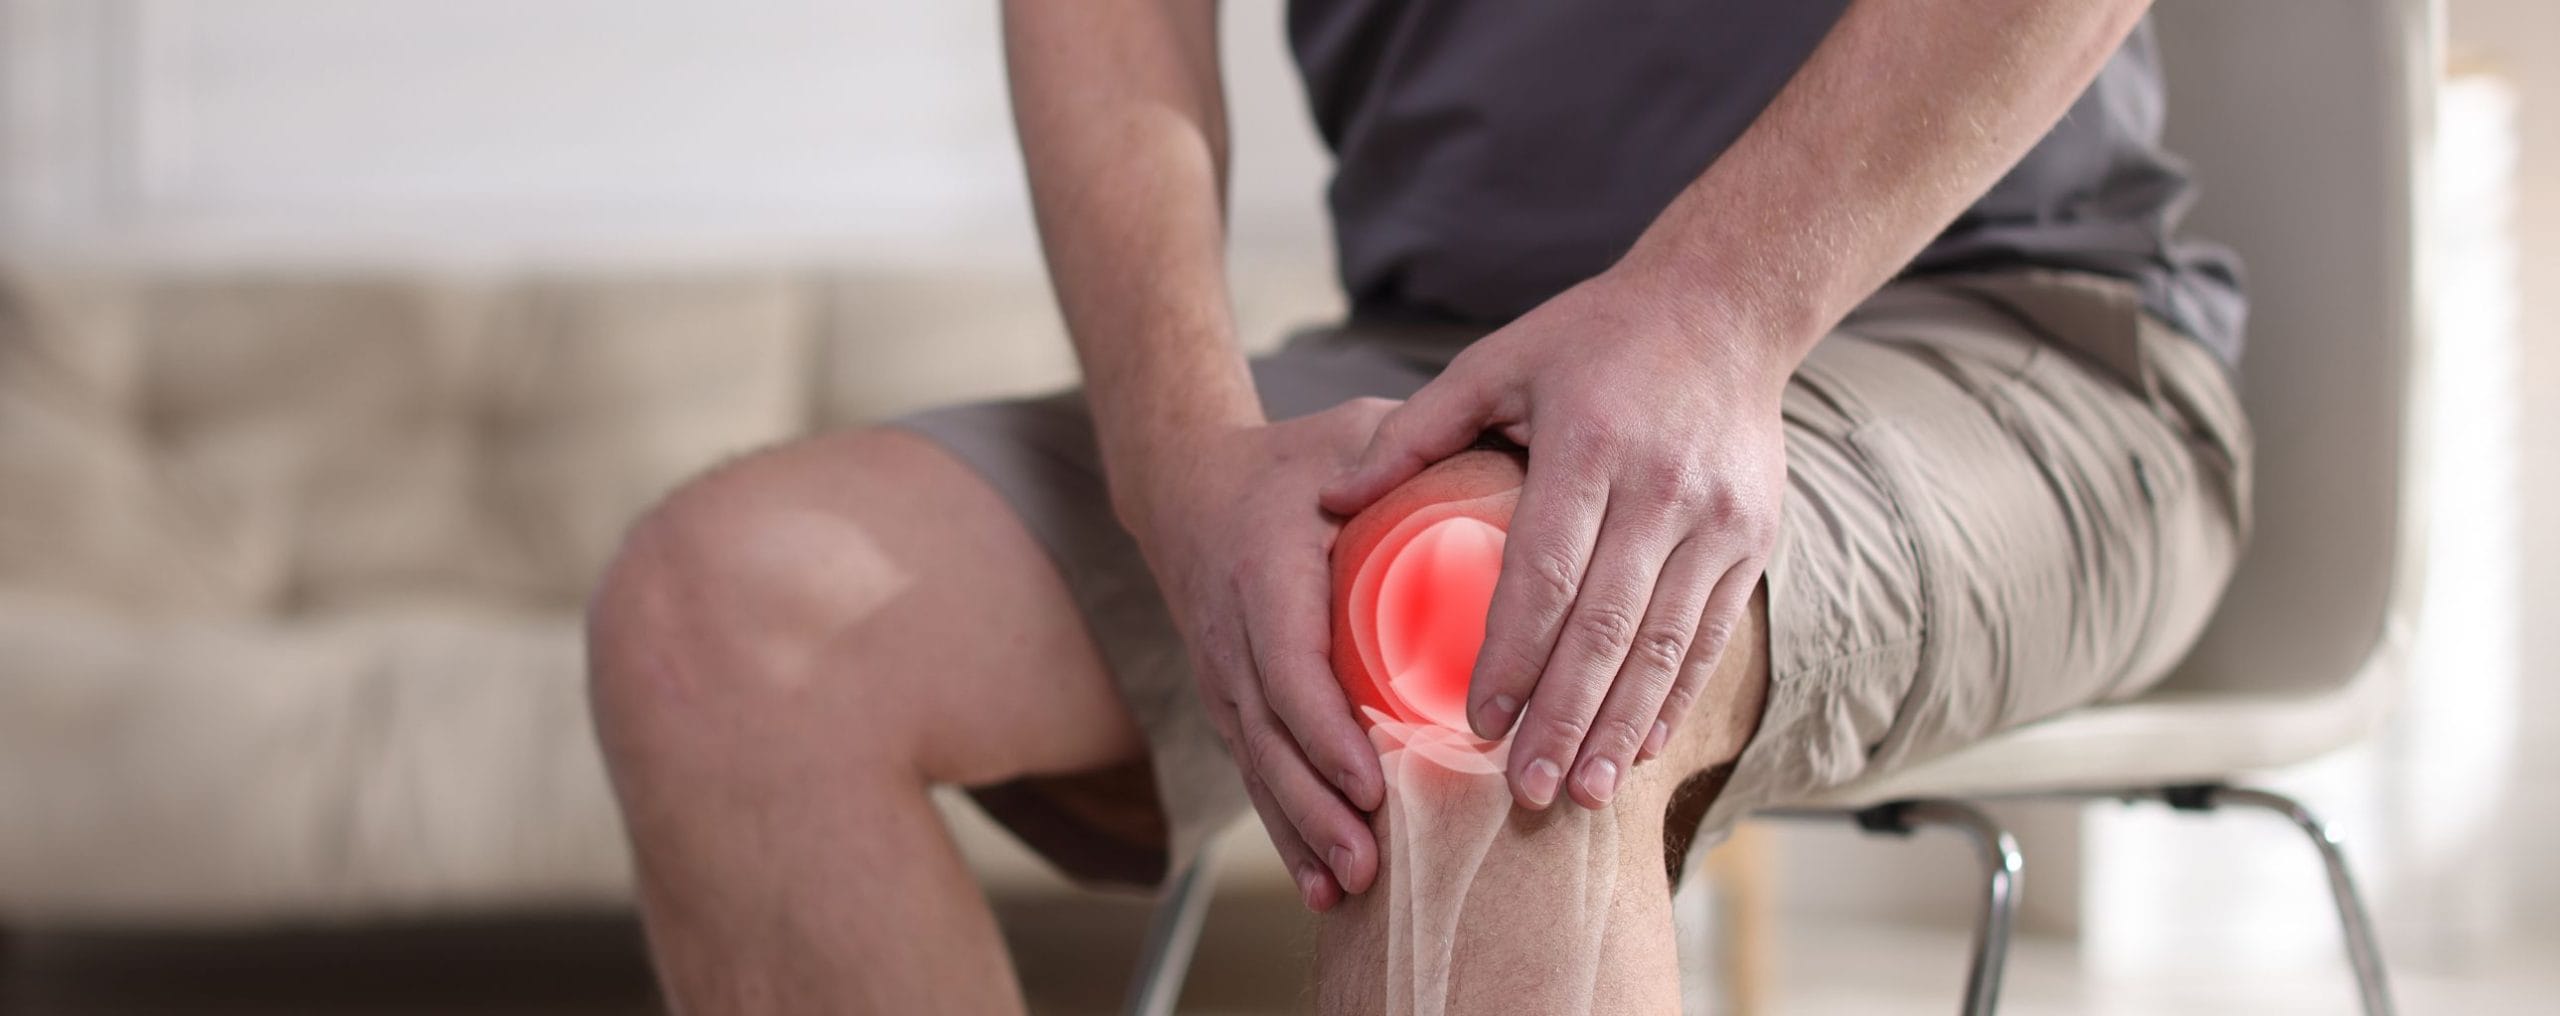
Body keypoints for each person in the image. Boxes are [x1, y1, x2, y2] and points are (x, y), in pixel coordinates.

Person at [583, 0, 2254, 1011]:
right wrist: (1181, 467)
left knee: (1469, 620)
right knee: (729, 619)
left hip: (1983, 315)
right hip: (1429, 350)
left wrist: (1714, 309)